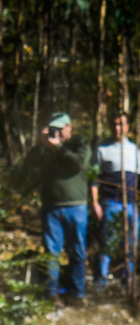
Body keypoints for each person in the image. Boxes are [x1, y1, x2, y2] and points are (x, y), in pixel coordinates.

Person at [22, 112, 91, 303]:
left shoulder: (79, 143)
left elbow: (77, 163)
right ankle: (51, 293)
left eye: (61, 129)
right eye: (54, 129)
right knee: (51, 253)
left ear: (69, 127)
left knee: (77, 252)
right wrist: (41, 143)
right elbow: (28, 163)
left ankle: (78, 294)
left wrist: (58, 146)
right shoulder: (46, 148)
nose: (57, 132)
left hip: (76, 207)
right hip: (51, 208)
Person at [91, 111, 138, 289]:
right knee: (107, 245)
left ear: (127, 127)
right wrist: (95, 202)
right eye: (114, 124)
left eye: (121, 124)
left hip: (132, 205)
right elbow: (93, 178)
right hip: (110, 203)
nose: (117, 128)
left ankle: (129, 283)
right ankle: (99, 284)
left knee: (131, 246)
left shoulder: (135, 150)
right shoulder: (102, 149)